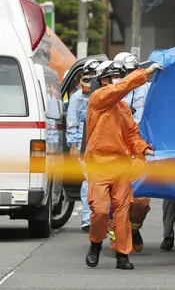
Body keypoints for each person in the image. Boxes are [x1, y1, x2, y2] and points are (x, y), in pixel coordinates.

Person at [84, 59, 162, 270]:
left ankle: (122, 254)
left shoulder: (123, 108)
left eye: (120, 76)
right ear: (103, 81)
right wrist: (143, 73)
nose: (118, 80)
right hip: (99, 165)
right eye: (115, 76)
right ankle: (95, 243)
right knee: (100, 211)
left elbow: (132, 135)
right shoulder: (97, 99)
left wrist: (142, 148)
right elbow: (121, 87)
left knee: (122, 212)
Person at [106, 52, 153, 253]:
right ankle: (117, 241)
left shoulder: (149, 89)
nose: (130, 75)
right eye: (125, 72)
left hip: (139, 150)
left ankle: (134, 230)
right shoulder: (108, 93)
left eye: (135, 70)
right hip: (114, 152)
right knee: (113, 199)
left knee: (140, 201)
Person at [66, 59, 101, 232]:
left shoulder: (106, 93)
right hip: (85, 144)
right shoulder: (77, 98)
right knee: (89, 181)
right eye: (88, 77)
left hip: (104, 143)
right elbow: (72, 121)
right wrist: (73, 144)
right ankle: (88, 219)